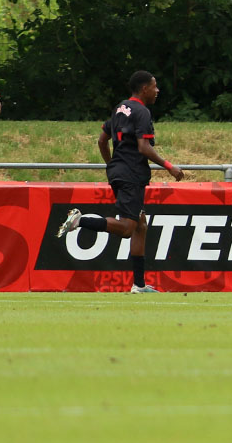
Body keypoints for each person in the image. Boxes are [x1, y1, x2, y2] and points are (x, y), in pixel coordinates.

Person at [57, 70, 184, 293]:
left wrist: (112, 164)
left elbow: (102, 139)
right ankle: (80, 220)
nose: (157, 90)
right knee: (127, 228)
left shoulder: (120, 108)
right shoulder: (142, 112)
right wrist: (170, 167)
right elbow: (144, 147)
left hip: (119, 171)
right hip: (132, 174)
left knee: (140, 225)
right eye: (154, 86)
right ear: (144, 89)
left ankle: (139, 285)